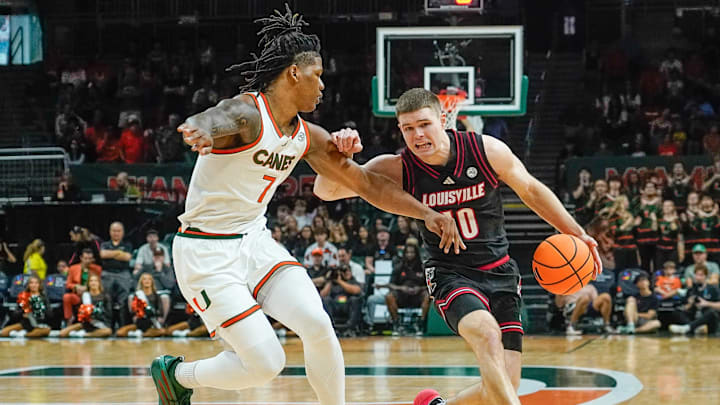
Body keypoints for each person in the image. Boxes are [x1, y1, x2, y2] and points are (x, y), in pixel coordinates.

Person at [151, 8, 462, 405]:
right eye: (318, 75)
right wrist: (201, 127)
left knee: (317, 324)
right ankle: (176, 375)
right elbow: (216, 116)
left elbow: (367, 184)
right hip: (204, 252)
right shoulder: (248, 112)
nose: (323, 87)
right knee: (265, 364)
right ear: (294, 73)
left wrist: (427, 213)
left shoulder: (307, 136)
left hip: (254, 241)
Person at [314, 87, 601, 405]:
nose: (418, 135)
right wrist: (342, 158)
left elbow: (531, 189)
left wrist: (576, 232)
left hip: (501, 271)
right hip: (451, 272)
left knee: (505, 385)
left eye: (424, 124)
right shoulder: (397, 167)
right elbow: (327, 191)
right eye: (408, 128)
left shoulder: (486, 150)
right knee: (487, 335)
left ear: (443, 120)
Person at [382, 243, 429, 335]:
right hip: (402, 295)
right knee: (389, 296)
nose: (410, 254)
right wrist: (401, 288)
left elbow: (429, 285)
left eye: (412, 252)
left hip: (417, 295)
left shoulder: (422, 267)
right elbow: (391, 284)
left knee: (428, 295)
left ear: (416, 254)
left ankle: (420, 323)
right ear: (404, 254)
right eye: (407, 252)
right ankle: (396, 323)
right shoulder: (399, 267)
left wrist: (419, 288)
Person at [670, 265, 720, 335]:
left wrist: (707, 303)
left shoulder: (713, 288)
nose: (698, 277)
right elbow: (685, 307)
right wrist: (689, 304)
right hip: (694, 316)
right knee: (676, 311)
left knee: (712, 312)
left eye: (701, 275)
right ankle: (694, 328)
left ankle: (688, 328)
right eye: (696, 275)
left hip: (708, 318)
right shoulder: (691, 289)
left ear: (706, 276)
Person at [100, 222, 133, 325]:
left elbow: (127, 257)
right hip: (107, 273)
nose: (116, 233)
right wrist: (119, 253)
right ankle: (107, 325)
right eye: (114, 231)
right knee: (106, 299)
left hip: (123, 274)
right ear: (110, 232)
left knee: (124, 299)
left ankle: (123, 324)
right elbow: (102, 254)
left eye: (118, 231)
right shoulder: (104, 244)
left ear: (122, 232)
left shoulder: (127, 244)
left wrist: (111, 254)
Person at [59, 273, 112, 338]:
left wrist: (95, 313)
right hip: (86, 323)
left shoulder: (105, 296)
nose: (93, 283)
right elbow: (80, 313)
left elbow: (109, 313)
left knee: (108, 331)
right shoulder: (85, 295)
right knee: (62, 333)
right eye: (91, 281)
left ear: (99, 283)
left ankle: (86, 335)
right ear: (88, 284)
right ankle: (82, 332)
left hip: (100, 322)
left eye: (95, 281)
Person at [117, 273, 167, 337]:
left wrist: (152, 313)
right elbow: (134, 311)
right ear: (141, 282)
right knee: (120, 332)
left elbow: (160, 312)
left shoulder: (156, 296)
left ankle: (140, 334)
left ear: (152, 282)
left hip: (152, 322)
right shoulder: (138, 295)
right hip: (140, 322)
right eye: (144, 279)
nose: (147, 281)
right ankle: (139, 333)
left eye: (149, 279)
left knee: (162, 331)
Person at [320, 264, 363, 336]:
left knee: (355, 300)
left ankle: (350, 327)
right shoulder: (333, 282)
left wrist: (340, 281)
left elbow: (356, 290)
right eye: (344, 271)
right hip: (335, 306)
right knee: (326, 300)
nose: (346, 273)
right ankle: (331, 327)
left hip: (348, 306)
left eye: (348, 271)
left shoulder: (352, 281)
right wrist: (331, 280)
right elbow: (322, 295)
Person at [62, 249, 102, 324]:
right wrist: (76, 286)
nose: (88, 261)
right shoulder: (73, 268)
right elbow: (68, 284)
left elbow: (100, 284)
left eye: (90, 259)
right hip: (78, 295)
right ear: (81, 258)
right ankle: (69, 320)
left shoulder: (97, 269)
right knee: (66, 297)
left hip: (92, 295)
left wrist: (88, 288)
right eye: (86, 258)